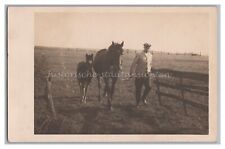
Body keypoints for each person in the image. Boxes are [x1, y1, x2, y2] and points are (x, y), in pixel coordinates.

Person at [130, 43, 153, 107]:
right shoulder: (139, 54)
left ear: (149, 47)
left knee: (149, 87)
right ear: (144, 47)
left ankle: (143, 98)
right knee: (138, 89)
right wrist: (131, 72)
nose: (147, 48)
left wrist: (150, 70)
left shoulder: (150, 55)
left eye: (148, 47)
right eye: (146, 47)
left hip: (147, 75)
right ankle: (137, 103)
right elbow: (134, 63)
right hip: (139, 75)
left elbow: (150, 64)